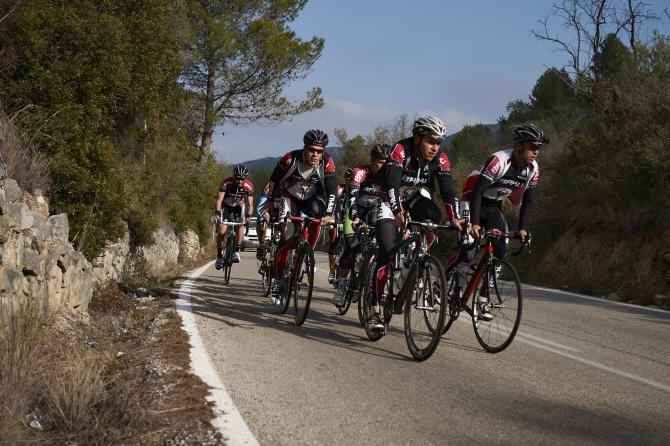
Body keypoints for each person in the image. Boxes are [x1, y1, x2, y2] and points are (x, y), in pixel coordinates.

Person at [367, 116, 463, 331]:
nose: (435, 147)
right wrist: (396, 211)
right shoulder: (401, 149)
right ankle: (374, 310)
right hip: (386, 197)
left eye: (439, 142)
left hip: (412, 196)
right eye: (431, 141)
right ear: (418, 137)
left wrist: (455, 218)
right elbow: (391, 184)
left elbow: (448, 192)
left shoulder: (441, 159)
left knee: (434, 216)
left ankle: (415, 259)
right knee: (387, 251)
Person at [451, 122, 545, 321]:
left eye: (538, 148)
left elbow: (529, 200)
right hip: (472, 201)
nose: (535, 152)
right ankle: (448, 281)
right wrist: (474, 223)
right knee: (467, 249)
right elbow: (477, 191)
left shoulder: (533, 169)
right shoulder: (499, 160)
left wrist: (523, 229)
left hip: (494, 207)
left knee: (500, 254)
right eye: (531, 147)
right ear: (519, 146)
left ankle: (483, 298)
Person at [267, 129, 336, 301]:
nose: (315, 154)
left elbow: (332, 191)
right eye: (311, 149)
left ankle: (305, 253)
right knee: (288, 236)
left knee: (318, 217)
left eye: (319, 151)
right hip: (290, 196)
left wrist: (329, 213)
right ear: (304, 148)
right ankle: (277, 280)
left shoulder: (327, 163)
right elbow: (274, 180)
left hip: (312, 198)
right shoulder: (290, 159)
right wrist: (270, 201)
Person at [332, 144, 391, 306]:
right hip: (356, 211)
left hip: (375, 213)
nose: (384, 166)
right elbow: (351, 197)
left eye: (387, 162)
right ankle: (342, 285)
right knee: (351, 246)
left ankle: (373, 278)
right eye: (380, 162)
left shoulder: (391, 176)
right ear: (372, 161)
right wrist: (355, 216)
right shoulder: (360, 173)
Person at [215, 165, 254, 268]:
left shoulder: (249, 186)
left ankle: (237, 250)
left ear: (245, 178)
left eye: (242, 179)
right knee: (222, 231)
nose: (239, 181)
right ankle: (219, 256)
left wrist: (248, 217)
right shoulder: (226, 183)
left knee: (240, 225)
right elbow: (219, 200)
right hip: (226, 206)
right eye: (237, 178)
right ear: (233, 176)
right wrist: (218, 214)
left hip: (239, 207)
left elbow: (250, 205)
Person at [327, 168, 353, 284]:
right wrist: (336, 220)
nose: (350, 182)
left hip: (349, 218)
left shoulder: (357, 190)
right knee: (333, 242)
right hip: (336, 217)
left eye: (352, 180)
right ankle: (332, 271)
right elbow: (336, 204)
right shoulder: (340, 189)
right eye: (348, 180)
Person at [255, 181, 272, 261]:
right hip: (269, 206)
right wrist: (263, 216)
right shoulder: (270, 185)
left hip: (284, 207)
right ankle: (261, 244)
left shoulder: (294, 184)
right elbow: (260, 206)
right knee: (262, 221)